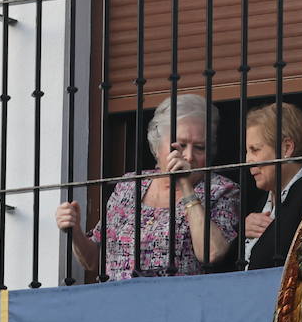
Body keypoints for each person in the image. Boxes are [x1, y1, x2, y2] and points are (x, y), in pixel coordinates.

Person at [55, 94, 239, 280]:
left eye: (200, 147)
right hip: (118, 303)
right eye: (180, 145)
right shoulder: (130, 186)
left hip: (177, 303)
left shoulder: (221, 190)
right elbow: (94, 259)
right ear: (157, 146)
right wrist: (75, 230)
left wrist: (185, 185)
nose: (189, 156)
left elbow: (212, 253)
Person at [242, 101, 302, 270]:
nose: (247, 161)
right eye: (247, 151)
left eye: (255, 150)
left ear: (287, 148)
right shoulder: (264, 201)